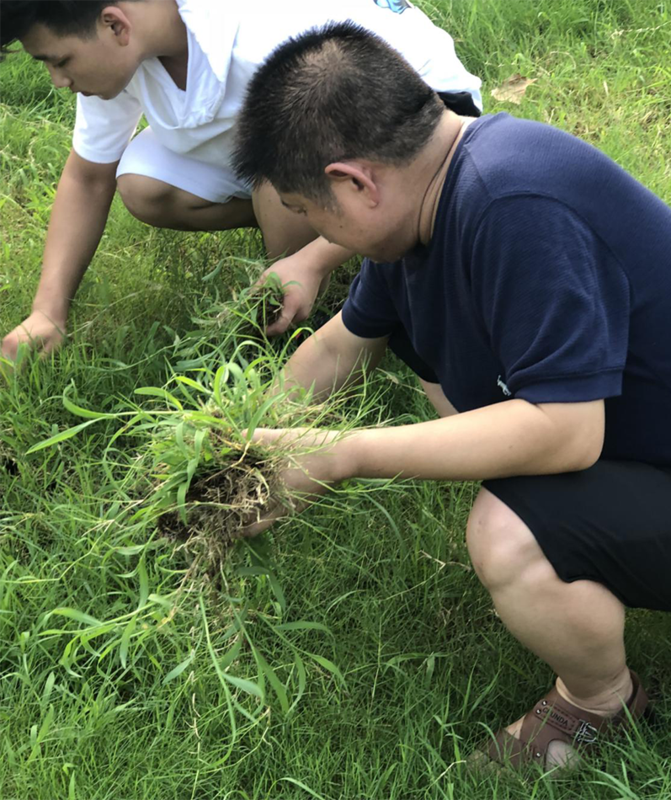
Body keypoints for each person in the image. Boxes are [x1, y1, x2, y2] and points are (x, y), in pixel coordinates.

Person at [232, 22, 671, 769]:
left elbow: (566, 433)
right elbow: (341, 345)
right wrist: (235, 447)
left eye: (310, 212)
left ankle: (599, 702)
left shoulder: (513, 200)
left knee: (508, 533)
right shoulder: (434, 202)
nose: (315, 234)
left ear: (354, 182)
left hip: (622, 450)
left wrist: (341, 455)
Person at [0, 0, 481, 360]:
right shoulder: (129, 50)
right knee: (143, 182)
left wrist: (312, 263)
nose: (56, 80)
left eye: (59, 61)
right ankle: (296, 225)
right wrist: (48, 310)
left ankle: (314, 274)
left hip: (423, 126)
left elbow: (427, 138)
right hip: (298, 127)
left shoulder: (262, 34)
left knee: (279, 180)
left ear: (114, 24)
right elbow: (88, 177)